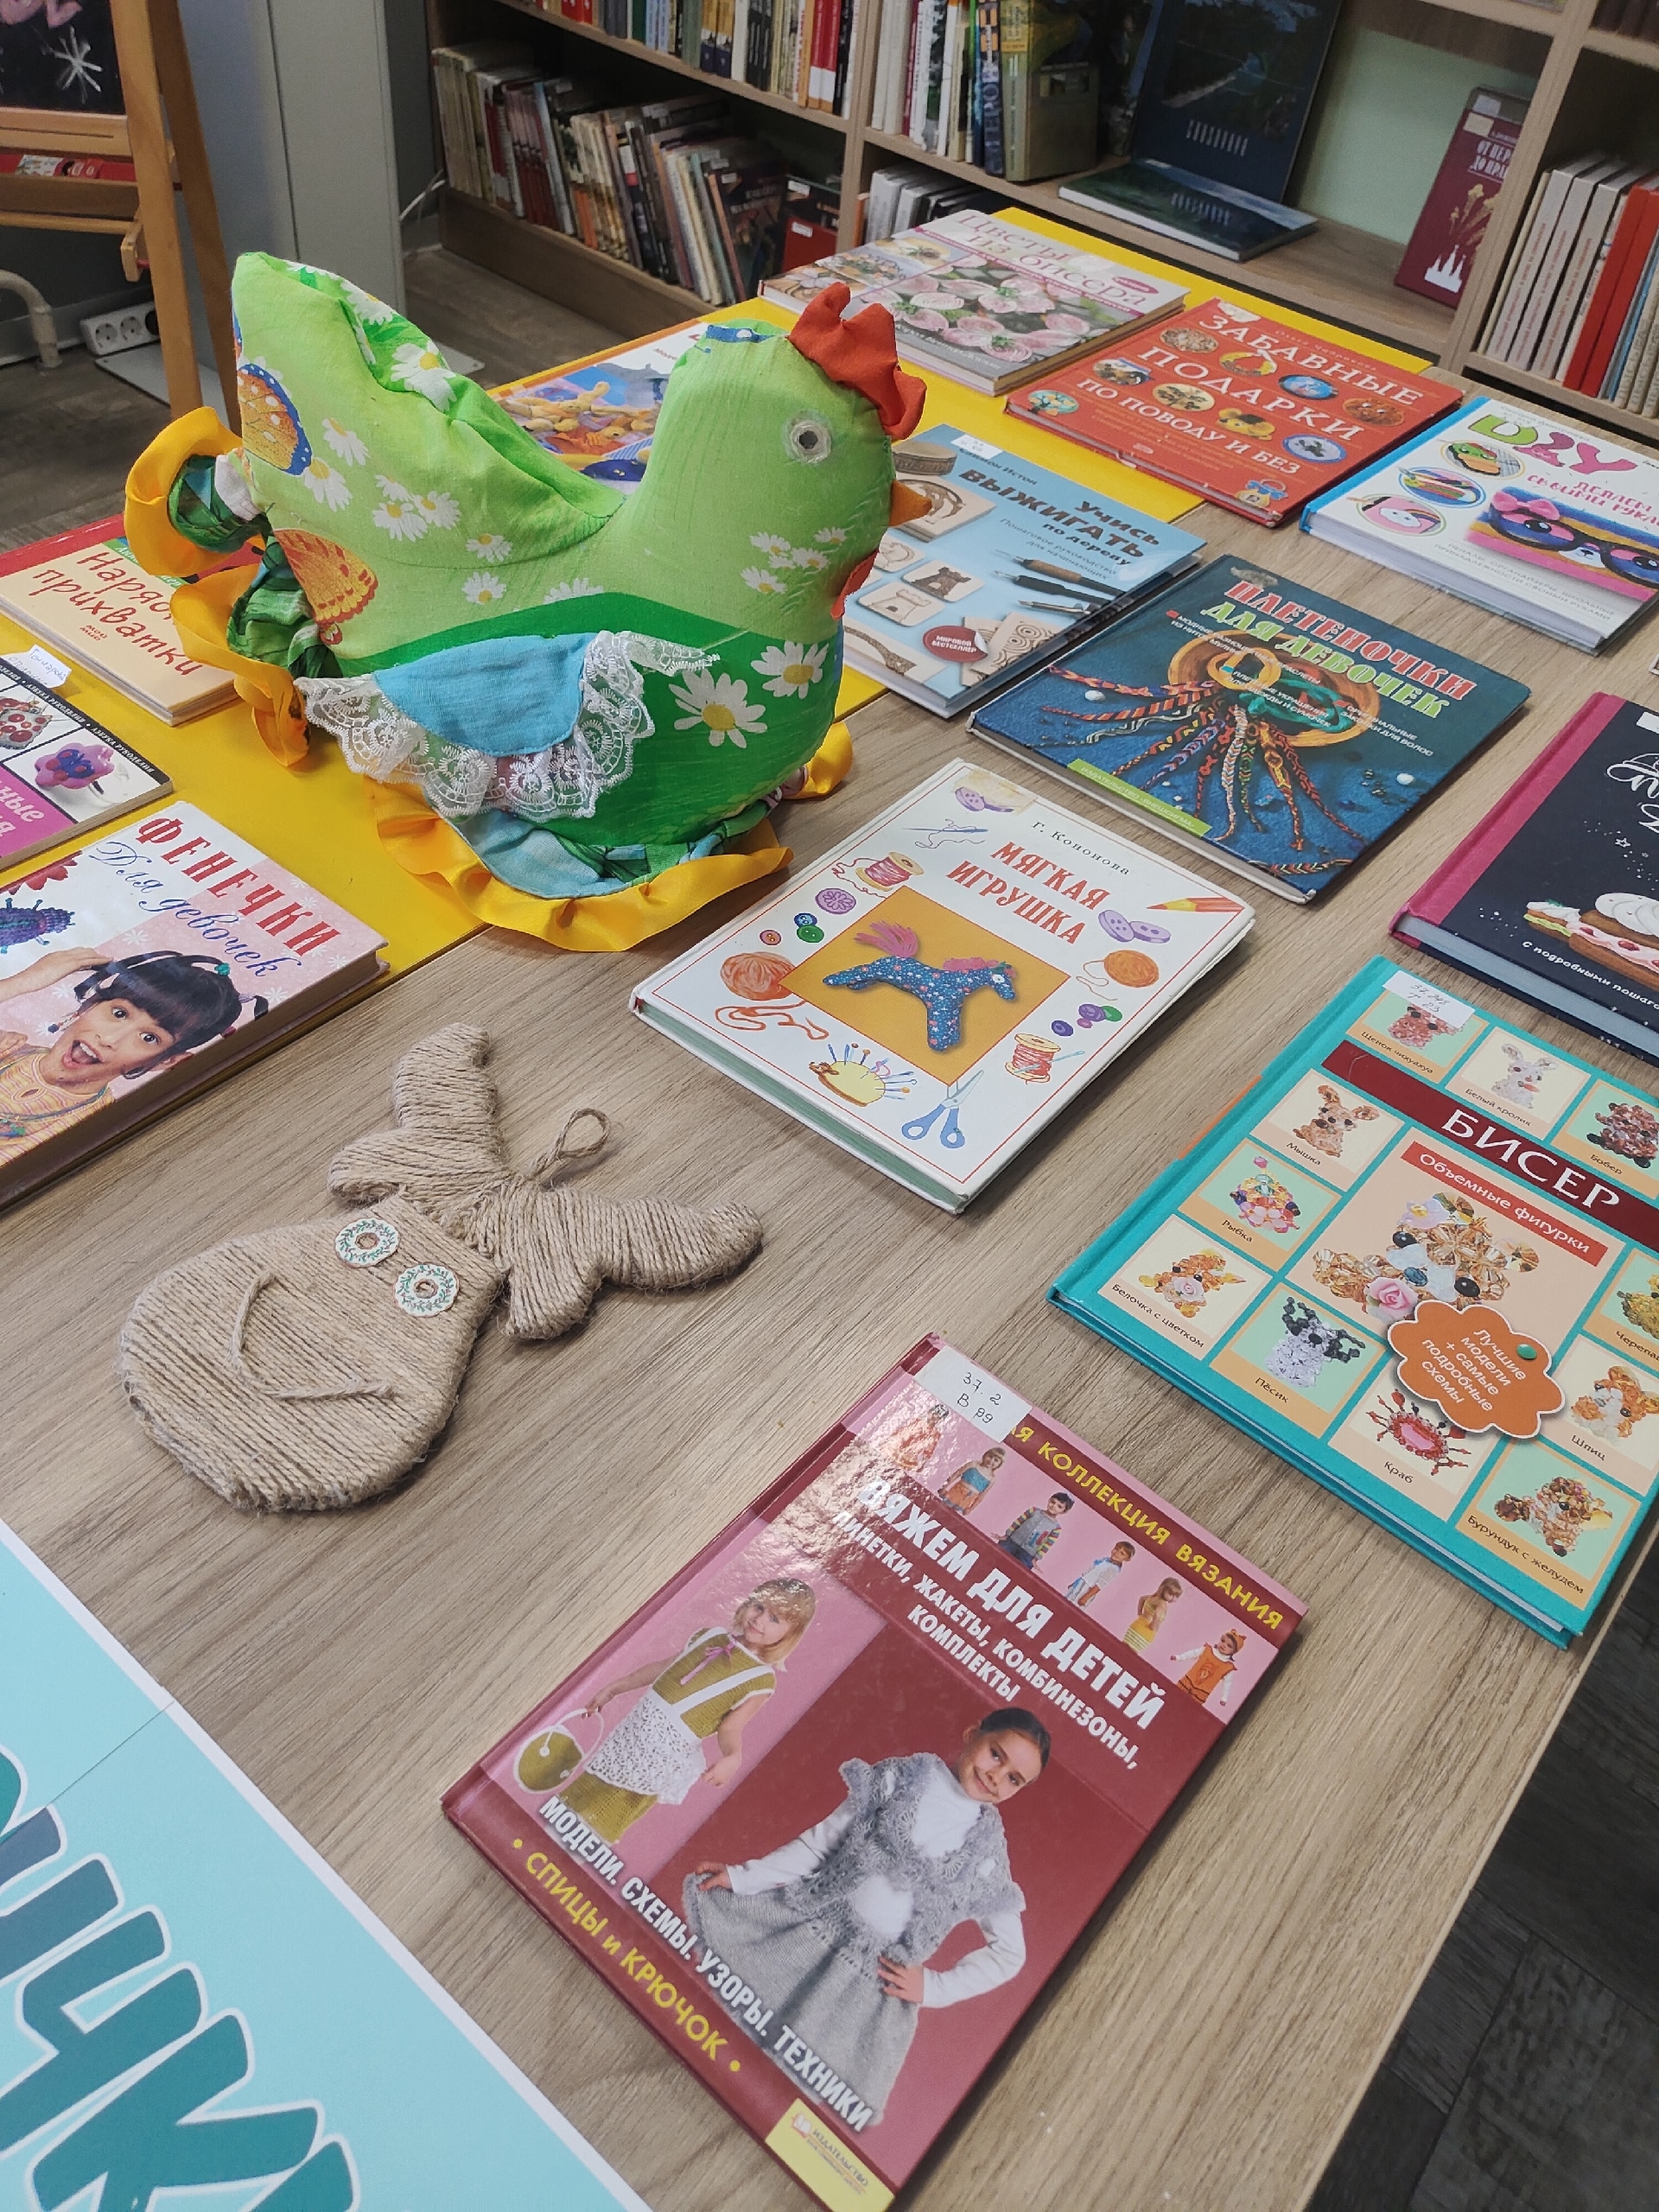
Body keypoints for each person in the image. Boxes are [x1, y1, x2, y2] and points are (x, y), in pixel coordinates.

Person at [686, 1707, 1048, 2124]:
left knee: (783, 2083)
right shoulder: (901, 1781)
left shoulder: (985, 1857)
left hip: (867, 1986)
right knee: (728, 2033)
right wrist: (745, 1877)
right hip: (810, 1932)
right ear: (972, 1733)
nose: (996, 1776)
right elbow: (822, 1843)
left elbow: (1009, 1954)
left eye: (1014, 1779)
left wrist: (933, 1988)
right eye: (996, 1755)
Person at [539, 1578, 817, 1845]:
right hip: (632, 1736)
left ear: (789, 1635)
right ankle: (541, 1840)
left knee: (608, 1814)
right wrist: (615, 1688)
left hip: (662, 1755)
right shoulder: (709, 1636)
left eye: (774, 1619)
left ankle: (571, 1856)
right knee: (582, 1794)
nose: (759, 1619)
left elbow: (731, 1727)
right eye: (759, 1607)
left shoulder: (760, 1679)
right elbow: (663, 1668)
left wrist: (733, 1756)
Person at [0, 947, 260, 1160]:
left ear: (167, 1061)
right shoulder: (11, 1048)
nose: (110, 1039)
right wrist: (23, 982)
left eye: (149, 1038)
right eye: (119, 1013)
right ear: (89, 1005)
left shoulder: (89, 1125)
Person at [1172, 1630, 1246, 1711]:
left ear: (1234, 1652)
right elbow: (1192, 1654)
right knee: (1173, 1698)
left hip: (1201, 1693)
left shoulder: (1228, 1667)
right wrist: (1179, 1657)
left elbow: (1227, 1683)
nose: (1224, 1645)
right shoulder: (1207, 1650)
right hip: (1187, 1682)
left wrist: (1224, 1698)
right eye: (1223, 1641)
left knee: (1189, 1709)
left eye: (1229, 1646)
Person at [999, 1491, 1072, 1572]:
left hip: (1027, 1554)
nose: (1054, 1506)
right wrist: (1006, 1535)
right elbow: (1018, 1522)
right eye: (1053, 1502)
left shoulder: (1056, 1528)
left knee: (1016, 1571)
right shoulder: (1033, 1510)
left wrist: (1036, 1558)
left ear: (1064, 1511)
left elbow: (1047, 1545)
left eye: (1059, 1506)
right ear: (1049, 1500)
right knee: (998, 1557)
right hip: (1011, 1542)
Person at [1067, 1540, 1135, 1611]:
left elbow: (1100, 1584)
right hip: (1080, 1584)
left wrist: (1085, 1597)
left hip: (1086, 1590)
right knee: (1068, 1599)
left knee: (1073, 1606)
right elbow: (1088, 1572)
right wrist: (1075, 1583)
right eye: (1116, 1549)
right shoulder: (1105, 1560)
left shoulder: (1113, 1569)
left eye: (1122, 1553)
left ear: (1127, 1559)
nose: (1117, 1553)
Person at [938, 1445, 1005, 1516]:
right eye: (990, 1456)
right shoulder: (974, 1464)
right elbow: (956, 1474)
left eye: (996, 1460)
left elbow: (981, 1496)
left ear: (999, 1465)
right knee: (942, 1508)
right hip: (956, 1492)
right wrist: (944, 1487)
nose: (991, 1461)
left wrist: (971, 1509)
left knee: (952, 1515)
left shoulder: (992, 1479)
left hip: (967, 1500)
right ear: (985, 1455)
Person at [1122, 1576, 1183, 1654]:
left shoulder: (1153, 1597)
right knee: (1132, 1654)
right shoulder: (1162, 1604)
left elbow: (1142, 1599)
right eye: (1171, 1594)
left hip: (1137, 1625)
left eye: (1176, 1596)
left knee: (1123, 1649)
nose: (1173, 1598)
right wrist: (1153, 1628)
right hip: (1145, 1632)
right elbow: (1157, 1615)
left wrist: (1140, 1613)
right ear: (1163, 1590)